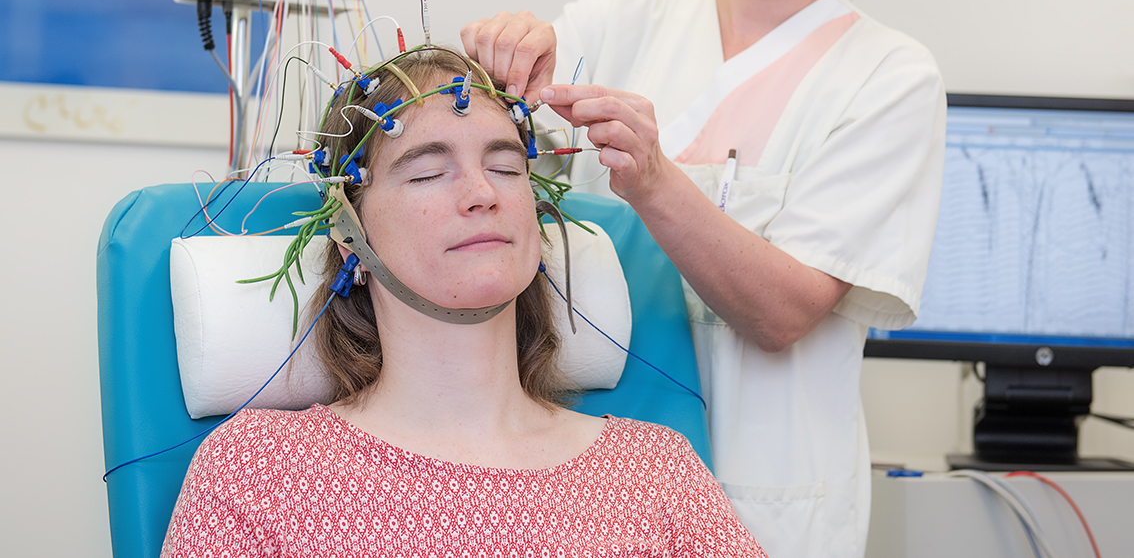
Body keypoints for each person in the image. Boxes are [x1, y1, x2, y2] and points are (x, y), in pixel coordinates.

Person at [461, 0, 947, 558]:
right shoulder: (621, 22)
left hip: (763, 500)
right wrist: (498, 55)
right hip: (590, 489)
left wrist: (654, 180)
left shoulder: (889, 78)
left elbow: (783, 311)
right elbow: (489, 146)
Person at [162, 48, 767, 557]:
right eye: (426, 174)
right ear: (351, 242)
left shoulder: (656, 475)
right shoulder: (255, 475)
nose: (482, 194)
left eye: (506, 167)